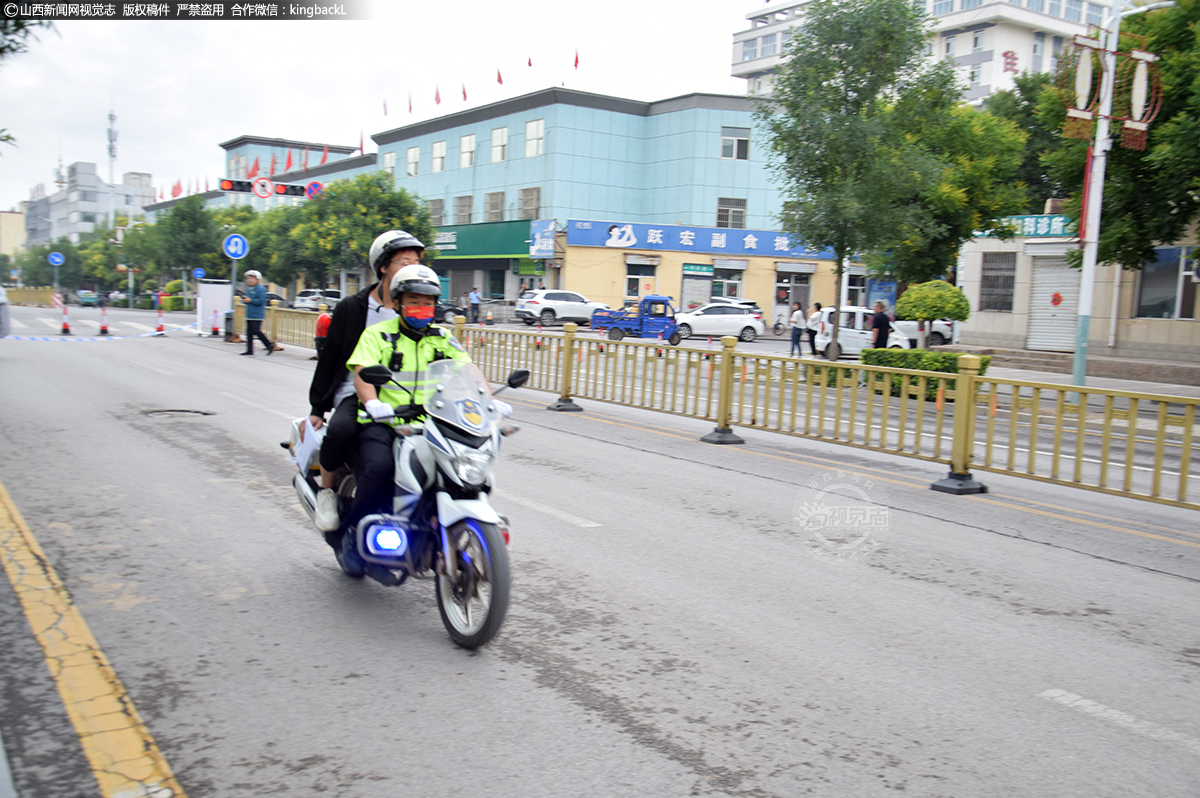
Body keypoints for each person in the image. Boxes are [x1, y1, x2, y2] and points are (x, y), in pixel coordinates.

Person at [336, 264, 473, 575]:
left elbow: (466, 374)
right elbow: (362, 373)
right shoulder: (378, 335)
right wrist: (373, 404)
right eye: (414, 300)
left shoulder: (444, 338)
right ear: (397, 302)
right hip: (384, 423)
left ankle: (437, 530)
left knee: (462, 472)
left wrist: (490, 403)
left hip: (432, 424)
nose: (421, 308)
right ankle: (354, 535)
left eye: (427, 302)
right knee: (380, 468)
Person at [307, 230, 426, 537]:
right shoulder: (353, 308)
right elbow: (331, 358)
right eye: (403, 261)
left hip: (403, 396)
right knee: (343, 430)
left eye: (415, 261)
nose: (411, 266)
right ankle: (328, 492)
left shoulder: (418, 308)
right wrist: (318, 407)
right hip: (355, 390)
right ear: (383, 266)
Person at [239, 270, 274, 356]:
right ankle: (249, 350)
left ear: (257, 279)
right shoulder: (248, 289)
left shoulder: (261, 289)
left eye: (251, 278)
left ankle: (269, 344)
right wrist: (244, 300)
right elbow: (247, 300)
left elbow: (261, 301)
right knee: (249, 333)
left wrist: (250, 300)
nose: (249, 280)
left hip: (257, 314)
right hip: (249, 314)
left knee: (256, 331)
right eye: (249, 278)